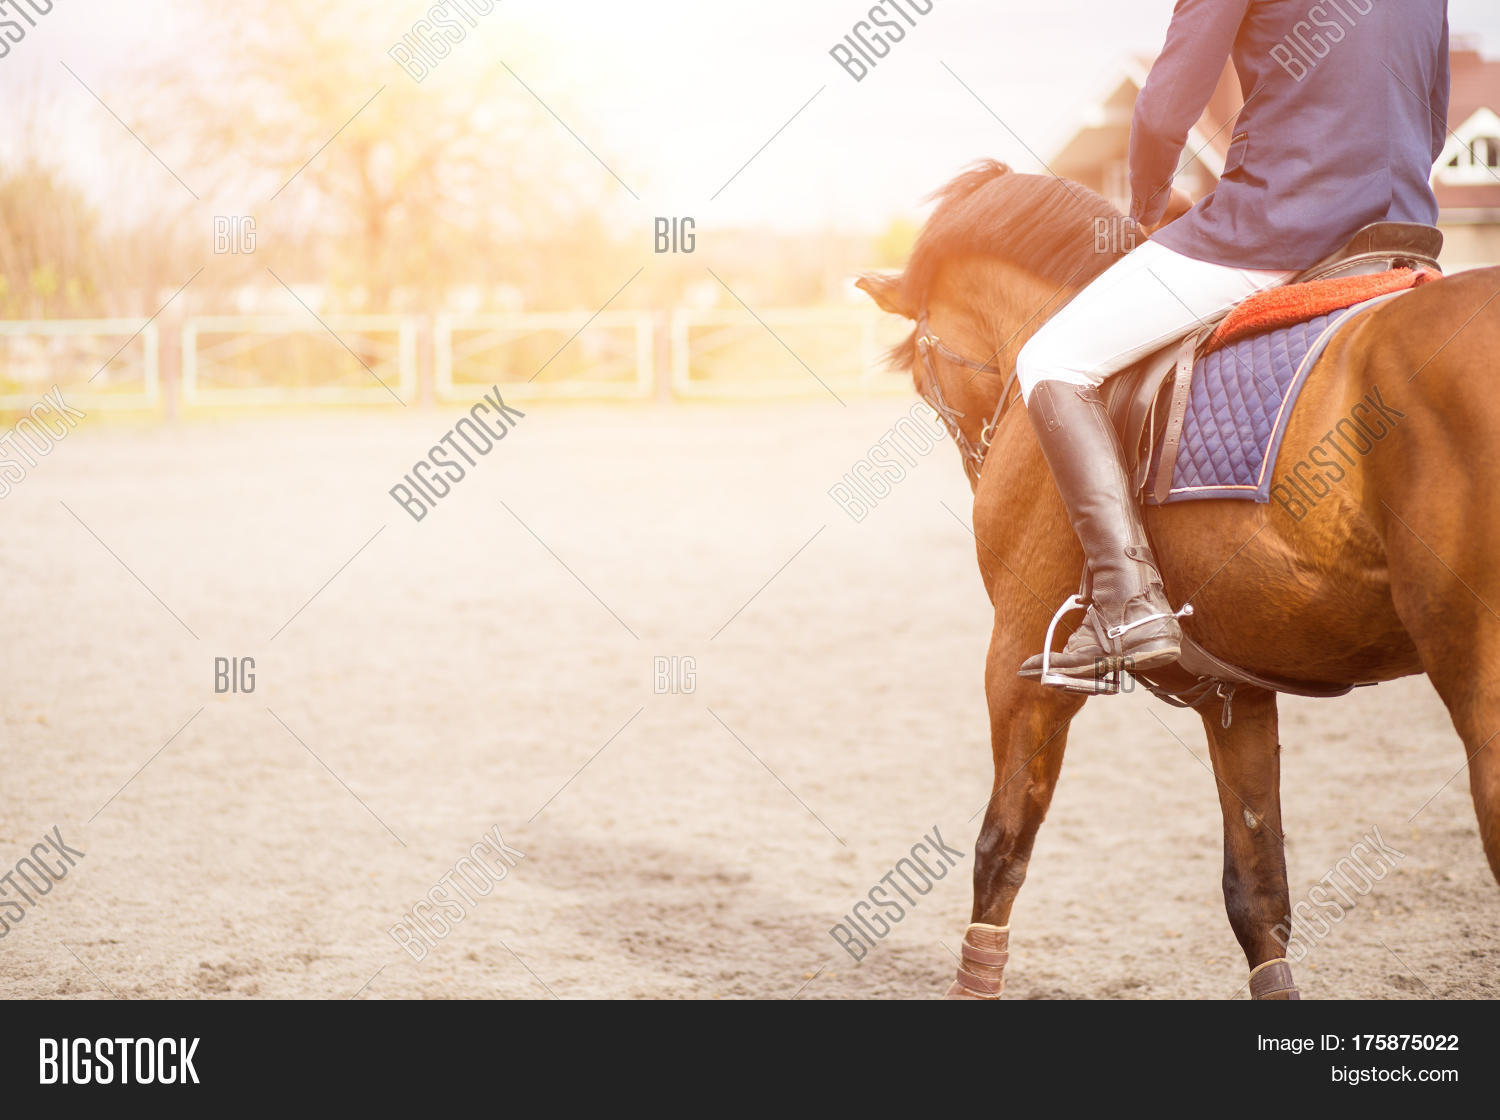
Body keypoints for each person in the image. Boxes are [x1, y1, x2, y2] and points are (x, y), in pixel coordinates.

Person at [1017, 0, 1451, 687]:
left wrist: (1147, 209)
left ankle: (1128, 603)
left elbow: (1163, 112)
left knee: (1050, 358)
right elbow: (1430, 118)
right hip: (1402, 234)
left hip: (1279, 223)